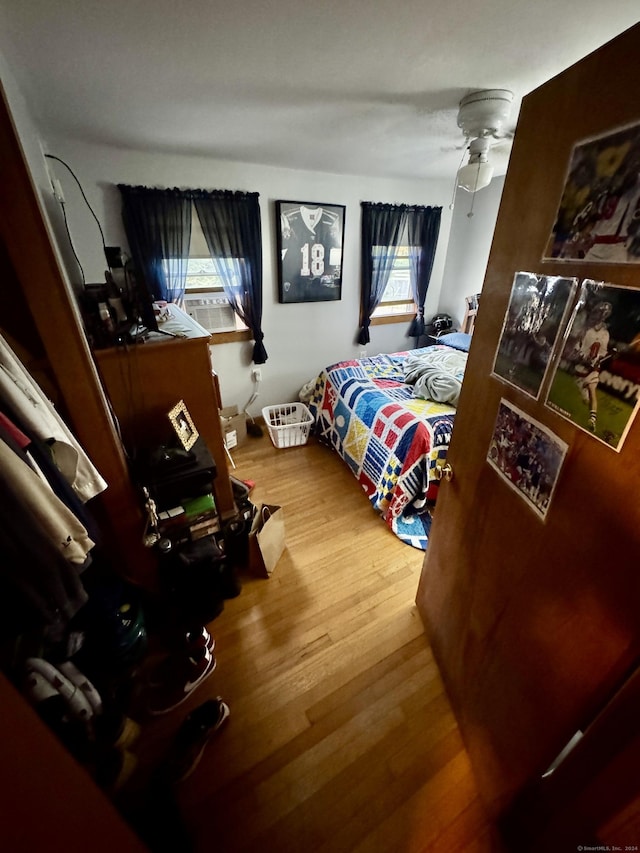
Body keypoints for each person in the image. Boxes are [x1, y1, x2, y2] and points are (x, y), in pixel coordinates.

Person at [570, 300, 613, 432]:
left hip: (593, 369)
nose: (602, 315)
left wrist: (598, 359)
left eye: (604, 312)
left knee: (592, 390)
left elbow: (603, 352)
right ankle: (588, 403)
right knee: (586, 399)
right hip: (581, 368)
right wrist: (582, 358)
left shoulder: (605, 334)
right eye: (601, 312)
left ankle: (592, 420)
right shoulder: (586, 330)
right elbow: (577, 348)